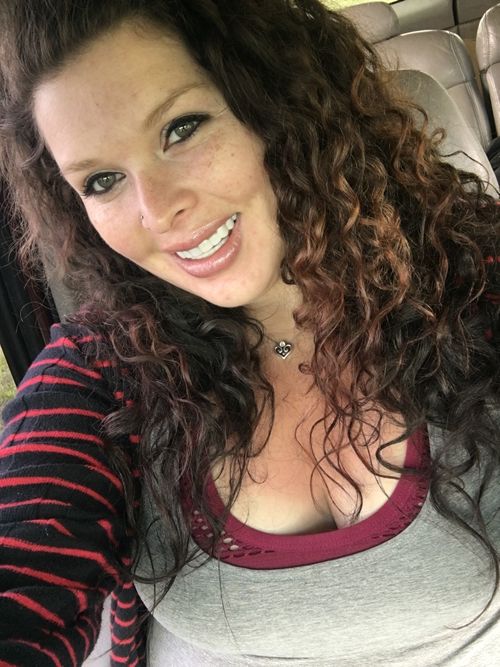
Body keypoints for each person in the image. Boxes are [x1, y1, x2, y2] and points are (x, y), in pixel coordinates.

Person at [0, 0, 498, 664]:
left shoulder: (477, 282)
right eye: (103, 180)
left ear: (278, 99)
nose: (157, 211)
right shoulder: (100, 372)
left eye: (181, 128)